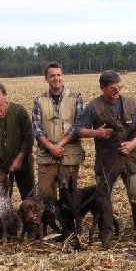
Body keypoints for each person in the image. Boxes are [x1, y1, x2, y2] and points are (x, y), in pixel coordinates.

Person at [74, 70, 136, 248]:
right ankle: (106, 233)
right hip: (106, 160)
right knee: (103, 197)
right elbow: (78, 130)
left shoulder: (130, 103)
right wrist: (96, 132)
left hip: (131, 158)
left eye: (119, 87)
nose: (117, 91)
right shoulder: (93, 107)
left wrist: (132, 144)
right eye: (113, 89)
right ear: (102, 88)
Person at [31, 62, 85, 199]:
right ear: (46, 78)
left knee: (70, 199)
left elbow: (79, 125)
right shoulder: (39, 100)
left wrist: (60, 144)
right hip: (47, 158)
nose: (56, 78)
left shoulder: (76, 98)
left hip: (69, 157)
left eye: (59, 75)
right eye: (52, 75)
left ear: (63, 76)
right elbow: (36, 128)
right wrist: (50, 146)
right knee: (45, 197)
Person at [0, 82, 34, 200]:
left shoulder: (19, 111)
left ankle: (28, 218)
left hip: (23, 163)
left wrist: (19, 160)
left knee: (29, 198)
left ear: (5, 95)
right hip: (2, 166)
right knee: (2, 201)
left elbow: (28, 137)